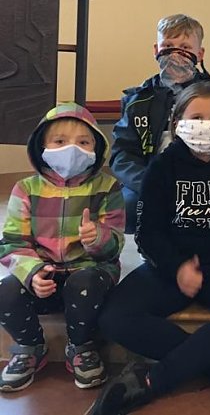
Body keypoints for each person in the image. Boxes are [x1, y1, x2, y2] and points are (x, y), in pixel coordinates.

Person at [91, 81, 210, 415]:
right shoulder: (162, 167)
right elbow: (147, 233)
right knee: (114, 316)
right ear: (177, 124)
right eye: (197, 116)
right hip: (172, 266)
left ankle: (153, 381)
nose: (206, 124)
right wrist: (177, 267)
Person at [0, 103, 125, 392]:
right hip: (44, 277)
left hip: (89, 274)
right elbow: (11, 243)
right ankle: (30, 348)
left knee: (85, 282)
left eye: (83, 142)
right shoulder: (26, 188)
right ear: (41, 146)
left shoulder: (108, 187)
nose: (72, 149)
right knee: (5, 291)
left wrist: (98, 238)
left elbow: (116, 243)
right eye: (60, 141)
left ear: (97, 147)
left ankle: (81, 346)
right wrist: (32, 272)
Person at [110, 13, 210, 234]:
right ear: (156, 50)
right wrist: (150, 182)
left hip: (208, 176)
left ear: (200, 54)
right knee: (128, 207)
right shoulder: (138, 101)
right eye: (168, 45)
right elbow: (122, 155)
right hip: (154, 175)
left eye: (185, 46)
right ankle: (157, 243)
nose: (175, 53)